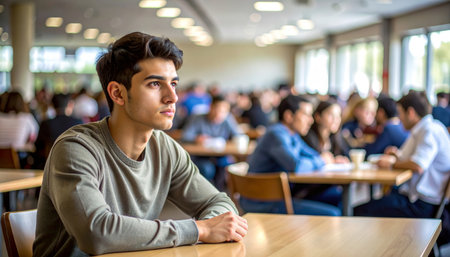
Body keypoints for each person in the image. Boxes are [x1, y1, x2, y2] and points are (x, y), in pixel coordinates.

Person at [33, 32, 247, 257]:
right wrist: (199, 229)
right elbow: (96, 233)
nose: (172, 97)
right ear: (118, 93)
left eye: (173, 83)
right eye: (155, 84)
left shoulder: (165, 148)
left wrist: (215, 224)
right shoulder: (75, 148)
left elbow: (218, 201)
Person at [354, 91, 450, 218]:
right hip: (419, 199)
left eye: (400, 113)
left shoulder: (429, 130)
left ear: (410, 113)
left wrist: (393, 164)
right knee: (375, 203)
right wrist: (396, 155)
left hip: (422, 205)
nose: (399, 119)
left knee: (359, 211)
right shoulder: (425, 128)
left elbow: (418, 165)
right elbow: (413, 158)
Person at [245, 94, 341, 215]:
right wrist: (323, 160)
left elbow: (313, 155)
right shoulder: (276, 134)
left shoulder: (292, 135)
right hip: (262, 201)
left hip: (279, 197)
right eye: (306, 115)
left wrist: (326, 159)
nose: (311, 120)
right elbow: (297, 166)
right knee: (333, 213)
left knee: (337, 196)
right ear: (289, 116)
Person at [182, 95, 242, 190]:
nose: (220, 114)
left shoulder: (227, 119)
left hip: (221, 155)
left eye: (224, 111)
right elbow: (185, 136)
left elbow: (238, 135)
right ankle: (205, 194)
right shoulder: (198, 118)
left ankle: (220, 193)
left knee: (227, 165)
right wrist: (196, 138)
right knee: (207, 169)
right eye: (217, 110)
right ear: (210, 107)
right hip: (200, 156)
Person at [33, 93, 83, 169]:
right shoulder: (78, 123)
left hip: (48, 166)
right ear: (69, 105)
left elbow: (38, 146)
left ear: (52, 105)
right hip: (74, 166)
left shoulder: (46, 123)